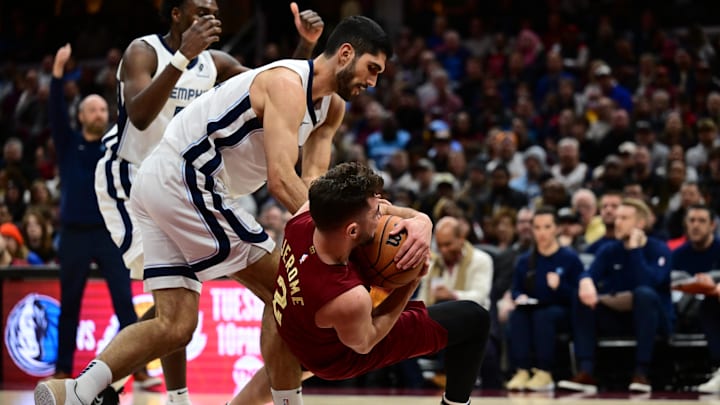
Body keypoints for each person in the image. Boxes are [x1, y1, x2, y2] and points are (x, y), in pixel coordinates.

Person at [35, 14, 409, 405]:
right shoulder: (285, 83)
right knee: (285, 288)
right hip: (187, 176)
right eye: (372, 69)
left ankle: (78, 390)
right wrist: (345, 238)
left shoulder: (331, 110)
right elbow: (281, 180)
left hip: (161, 184)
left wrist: (331, 230)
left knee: (175, 324)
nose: (373, 82)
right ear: (346, 53)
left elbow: (315, 189)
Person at [92, 1, 324, 402]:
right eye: (200, 10)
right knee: (173, 299)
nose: (210, 16)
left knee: (180, 297)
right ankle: (110, 382)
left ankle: (136, 389)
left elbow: (274, 86)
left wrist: (304, 47)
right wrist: (184, 56)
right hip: (130, 174)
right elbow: (140, 115)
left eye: (214, 10)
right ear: (176, 14)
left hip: (180, 182)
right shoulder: (143, 52)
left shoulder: (215, 62)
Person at [248, 162, 490, 405]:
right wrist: (410, 281)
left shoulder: (304, 218)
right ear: (352, 231)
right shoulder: (347, 297)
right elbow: (367, 340)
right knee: (474, 318)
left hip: (298, 328)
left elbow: (382, 207)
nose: (382, 215)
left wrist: (421, 220)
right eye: (375, 215)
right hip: (339, 355)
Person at [44, 44, 140, 393]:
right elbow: (54, 110)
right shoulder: (68, 144)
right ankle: (63, 369)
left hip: (110, 233)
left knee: (124, 305)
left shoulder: (115, 146)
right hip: (73, 234)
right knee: (69, 304)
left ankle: (137, 368)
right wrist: (57, 73)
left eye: (103, 109)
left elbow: (135, 116)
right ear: (81, 116)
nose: (99, 114)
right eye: (92, 110)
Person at [558, 198, 673, 393]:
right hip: (620, 317)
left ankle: (641, 373)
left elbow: (649, 283)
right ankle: (586, 372)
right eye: (617, 217)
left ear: (640, 224)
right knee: (582, 295)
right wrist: (585, 281)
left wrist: (635, 250)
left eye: (624, 218)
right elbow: (589, 273)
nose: (617, 222)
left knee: (644, 294)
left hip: (654, 320)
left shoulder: (659, 249)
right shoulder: (609, 249)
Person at [504, 206, 583, 391]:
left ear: (556, 229)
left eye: (547, 227)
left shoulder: (570, 258)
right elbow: (515, 289)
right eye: (537, 228)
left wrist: (560, 287)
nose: (542, 233)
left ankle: (544, 372)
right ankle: (522, 370)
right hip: (532, 307)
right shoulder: (525, 260)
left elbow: (577, 295)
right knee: (517, 315)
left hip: (561, 311)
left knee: (543, 315)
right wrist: (519, 297)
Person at [669, 204, 720, 392]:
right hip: (684, 310)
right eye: (691, 221)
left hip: (713, 309)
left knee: (710, 302)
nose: (695, 226)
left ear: (712, 225)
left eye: (701, 221)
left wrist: (712, 281)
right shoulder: (677, 254)